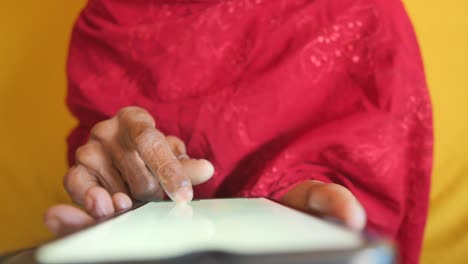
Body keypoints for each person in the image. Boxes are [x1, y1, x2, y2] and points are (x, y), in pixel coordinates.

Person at [44, 1, 433, 263]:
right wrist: (121, 187)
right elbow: (101, 171)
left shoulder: (361, 12)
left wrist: (306, 214)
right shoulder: (109, 20)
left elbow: (376, 187)